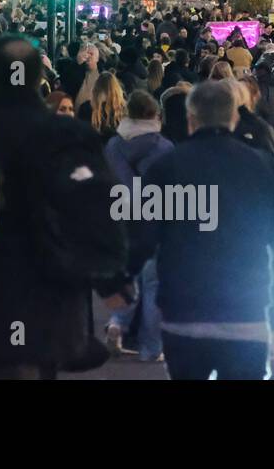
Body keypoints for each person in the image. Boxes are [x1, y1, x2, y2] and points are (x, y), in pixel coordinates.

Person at [0, 35, 128, 379]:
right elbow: (93, 206)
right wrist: (112, 281)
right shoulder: (66, 134)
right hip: (52, 286)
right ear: (40, 77)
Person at [132, 80, 274, 380]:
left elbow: (139, 239)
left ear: (191, 119)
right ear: (234, 118)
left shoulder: (167, 168)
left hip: (183, 316)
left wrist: (118, 284)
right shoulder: (264, 168)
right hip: (247, 313)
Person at [102, 90, 173, 361]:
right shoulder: (163, 147)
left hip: (120, 218)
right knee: (153, 283)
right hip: (153, 219)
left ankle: (118, 323)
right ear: (154, 114)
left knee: (128, 277)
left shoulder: (113, 146)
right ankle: (152, 347)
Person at [85, 72, 125, 141]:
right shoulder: (124, 109)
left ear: (96, 89)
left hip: (94, 148)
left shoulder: (86, 108)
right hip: (118, 149)